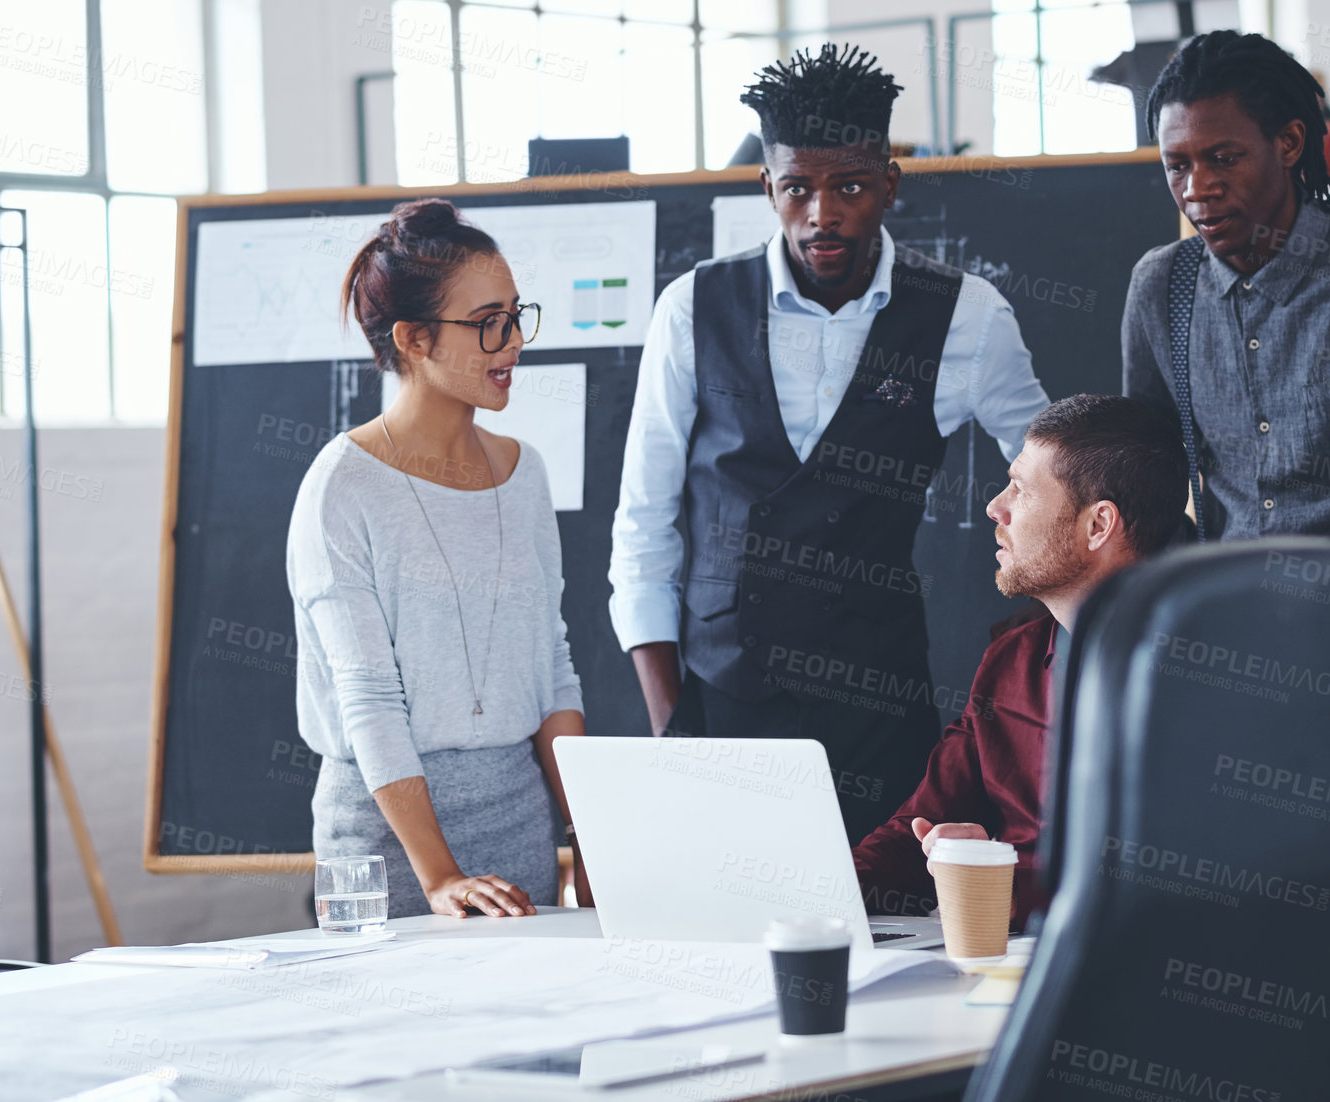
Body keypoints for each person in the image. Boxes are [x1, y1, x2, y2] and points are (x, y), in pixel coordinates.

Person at [609, 44, 1051, 843]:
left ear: (889, 181)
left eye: (849, 185)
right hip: (721, 701)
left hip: (877, 704)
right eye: (796, 189)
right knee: (736, 946)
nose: (822, 214)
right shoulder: (692, 308)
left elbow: (1055, 475)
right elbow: (642, 521)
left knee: (896, 943)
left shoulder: (966, 316)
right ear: (766, 188)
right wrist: (672, 721)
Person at [287, 198, 590, 920]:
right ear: (414, 340)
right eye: (488, 323)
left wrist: (588, 835)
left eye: (517, 315)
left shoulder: (525, 472)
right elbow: (368, 702)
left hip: (518, 821)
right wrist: (439, 877)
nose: (514, 341)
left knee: (540, 1031)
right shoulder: (343, 483)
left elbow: (551, 667)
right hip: (388, 841)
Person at [852, 394, 1187, 924]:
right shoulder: (1010, 660)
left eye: (1021, 490)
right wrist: (826, 892)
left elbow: (1178, 886)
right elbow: (918, 827)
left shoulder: (1195, 686)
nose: (995, 507)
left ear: (1098, 525)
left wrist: (1010, 892)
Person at [1123, 30, 1330, 542]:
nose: (1196, 189)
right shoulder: (1160, 286)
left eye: (1224, 158)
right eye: (1177, 165)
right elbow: (1145, 470)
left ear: (1290, 143)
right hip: (1222, 597)